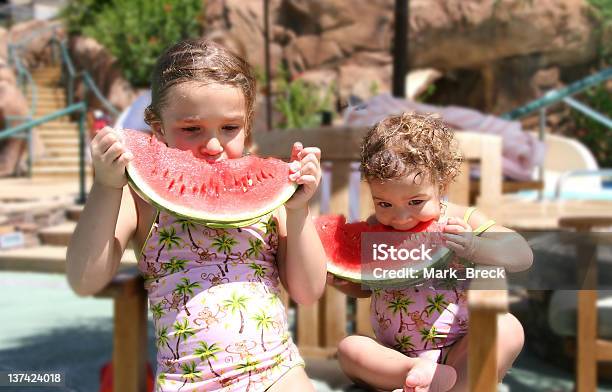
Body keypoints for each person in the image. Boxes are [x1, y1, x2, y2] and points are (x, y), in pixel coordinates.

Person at [66, 39, 327, 391]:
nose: (214, 145)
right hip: (185, 383)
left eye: (230, 128)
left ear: (248, 124)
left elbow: (308, 291)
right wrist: (107, 187)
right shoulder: (140, 199)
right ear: (158, 128)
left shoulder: (272, 204)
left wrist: (298, 212)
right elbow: (85, 278)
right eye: (192, 129)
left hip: (276, 372)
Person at [328, 112, 532, 392]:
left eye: (415, 201)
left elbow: (521, 254)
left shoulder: (462, 221)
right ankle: (420, 377)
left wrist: (476, 246)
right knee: (350, 348)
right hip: (395, 357)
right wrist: (344, 281)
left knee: (507, 327)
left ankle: (452, 384)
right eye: (384, 204)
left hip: (459, 348)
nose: (400, 218)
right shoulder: (376, 229)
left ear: (442, 185)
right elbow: (366, 288)